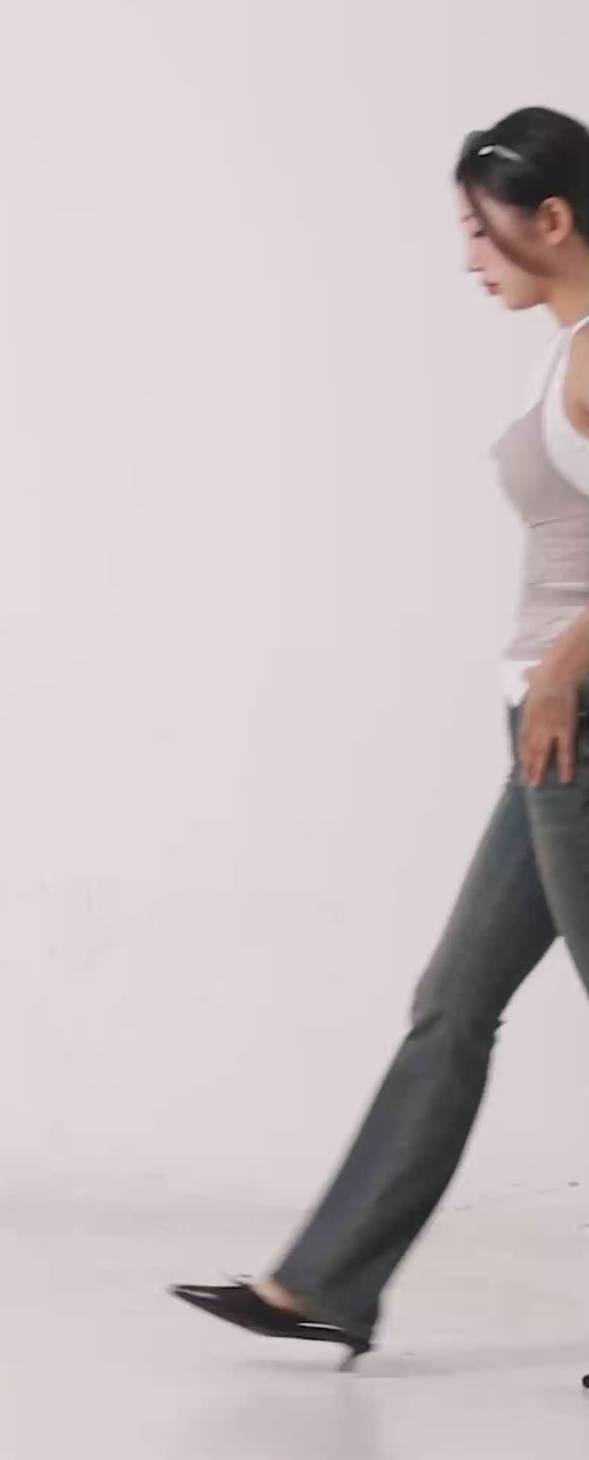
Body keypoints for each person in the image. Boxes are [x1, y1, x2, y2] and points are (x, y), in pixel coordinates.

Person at [169, 105, 589, 1376]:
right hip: (545, 729)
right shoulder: (563, 348)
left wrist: (565, 670)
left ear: (554, 217)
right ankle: (326, 1281)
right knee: (452, 1002)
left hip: (576, 720)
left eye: (481, 230)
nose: (468, 257)